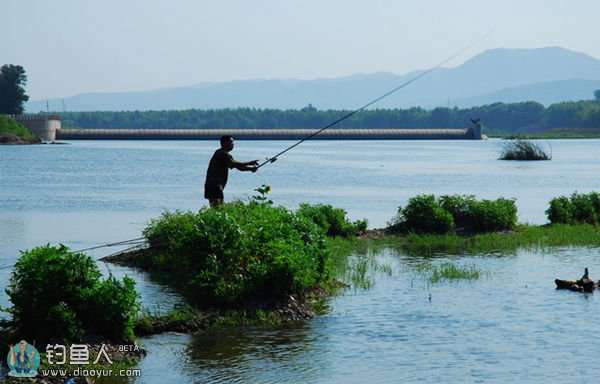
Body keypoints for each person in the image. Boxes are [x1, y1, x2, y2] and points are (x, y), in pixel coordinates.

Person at [204, 135, 258, 206]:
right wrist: (250, 163)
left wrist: (250, 169)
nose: (233, 144)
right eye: (231, 142)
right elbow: (234, 164)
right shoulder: (220, 153)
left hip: (217, 186)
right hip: (213, 185)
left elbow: (239, 167)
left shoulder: (227, 155)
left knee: (219, 206)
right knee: (217, 207)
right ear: (224, 143)